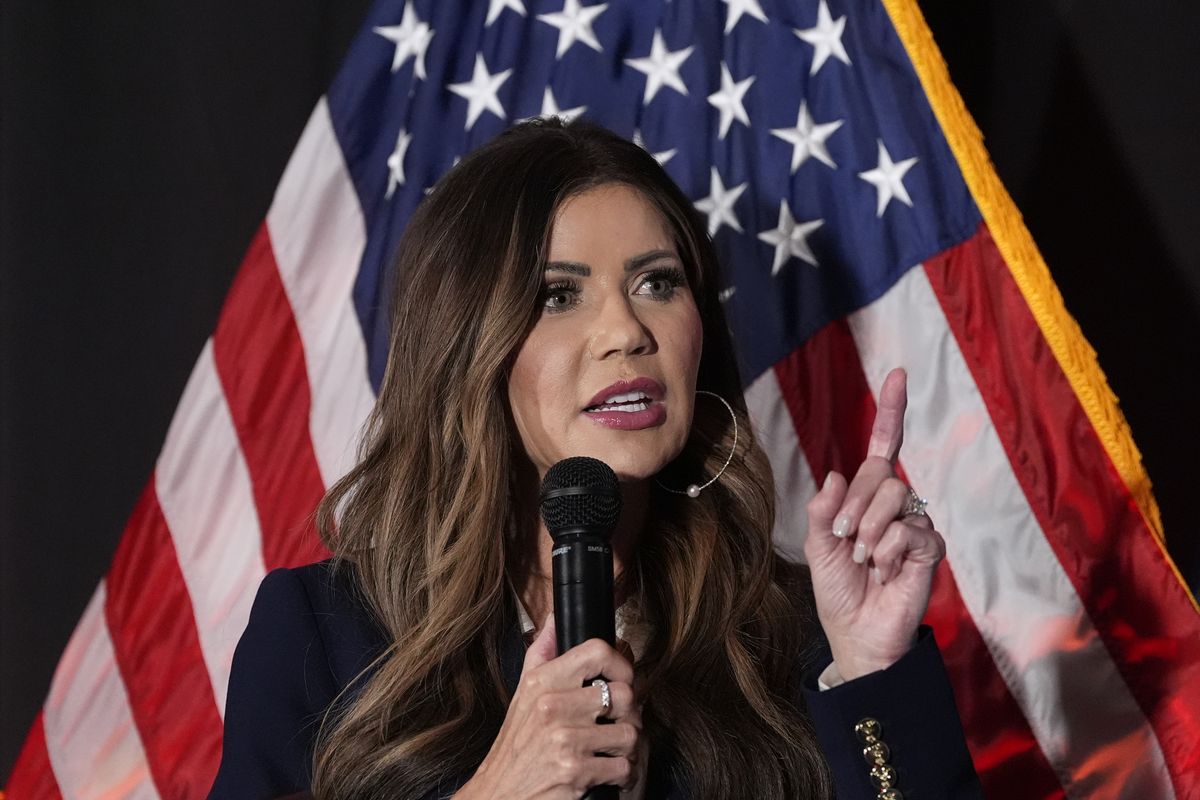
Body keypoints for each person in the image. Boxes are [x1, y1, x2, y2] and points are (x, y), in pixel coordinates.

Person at [209, 117, 983, 799]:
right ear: (469, 347)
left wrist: (870, 673)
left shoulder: (799, 641)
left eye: (657, 282)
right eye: (557, 295)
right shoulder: (324, 633)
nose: (626, 331)